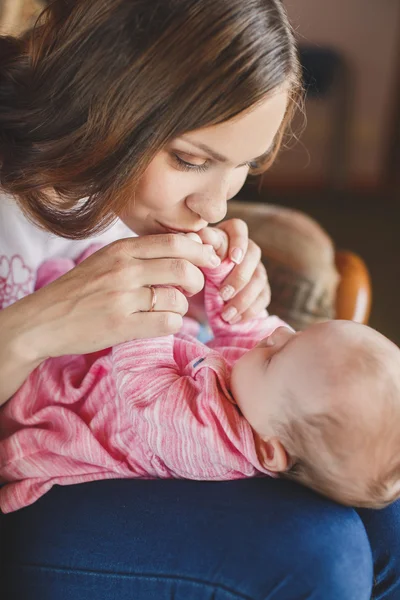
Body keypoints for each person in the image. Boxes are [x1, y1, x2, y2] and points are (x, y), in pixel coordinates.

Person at [0, 1, 399, 598]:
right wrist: (34, 329)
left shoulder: (122, 183)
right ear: (99, 96)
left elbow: (193, 347)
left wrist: (234, 299)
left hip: (135, 438)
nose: (214, 208)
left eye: (243, 167)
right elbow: (134, 371)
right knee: (324, 557)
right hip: (44, 466)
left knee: (386, 507)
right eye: (191, 160)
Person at [2, 252, 400, 514]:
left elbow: (145, 387)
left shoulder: (210, 442)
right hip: (111, 368)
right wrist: (225, 272)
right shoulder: (272, 395)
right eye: (298, 333)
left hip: (70, 412)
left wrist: (159, 294)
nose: (277, 336)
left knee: (39, 384)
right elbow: (249, 327)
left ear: (267, 448)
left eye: (278, 353)